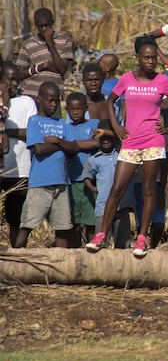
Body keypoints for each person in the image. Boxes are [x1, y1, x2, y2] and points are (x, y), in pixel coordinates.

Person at [86, 37, 168, 257]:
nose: (151, 62)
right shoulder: (127, 79)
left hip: (153, 141)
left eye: (154, 58)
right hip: (131, 141)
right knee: (116, 188)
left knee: (150, 188)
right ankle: (101, 235)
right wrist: (116, 127)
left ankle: (142, 238)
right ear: (138, 58)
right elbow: (110, 101)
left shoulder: (162, 81)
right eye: (147, 58)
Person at [13, 83, 97, 248]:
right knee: (28, 224)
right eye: (50, 100)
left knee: (63, 227)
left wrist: (57, 141)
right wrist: (63, 145)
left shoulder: (61, 123)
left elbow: (73, 148)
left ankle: (61, 263)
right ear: (40, 99)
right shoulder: (35, 121)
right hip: (40, 182)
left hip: (62, 183)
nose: (53, 105)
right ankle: (17, 257)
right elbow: (39, 148)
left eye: (56, 101)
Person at [1, 61, 36, 241]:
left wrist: (5, 132)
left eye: (16, 80)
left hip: (20, 170)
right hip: (2, 170)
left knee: (17, 219)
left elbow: (31, 132)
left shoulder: (26, 102)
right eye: (9, 79)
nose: (13, 84)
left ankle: (17, 256)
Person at [81, 130, 133, 249]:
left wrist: (110, 132)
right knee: (101, 243)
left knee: (123, 244)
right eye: (102, 139)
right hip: (103, 207)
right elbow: (86, 176)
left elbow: (126, 138)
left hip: (122, 206)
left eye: (108, 138)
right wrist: (94, 189)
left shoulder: (121, 154)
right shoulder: (94, 159)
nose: (105, 141)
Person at [65, 92, 101, 246]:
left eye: (79, 109)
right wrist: (81, 144)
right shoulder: (64, 127)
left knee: (91, 221)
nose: (75, 112)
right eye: (72, 109)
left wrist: (72, 145)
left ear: (86, 108)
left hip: (90, 181)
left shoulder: (93, 124)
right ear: (67, 110)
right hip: (70, 181)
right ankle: (74, 254)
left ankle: (92, 253)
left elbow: (96, 143)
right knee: (73, 223)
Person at [13, 8, 74, 100]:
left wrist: (51, 44)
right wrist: (42, 67)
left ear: (52, 23)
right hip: (33, 94)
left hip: (54, 95)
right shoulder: (28, 44)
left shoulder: (65, 40)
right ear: (35, 25)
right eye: (41, 26)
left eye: (47, 25)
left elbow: (62, 69)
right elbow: (20, 74)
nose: (44, 29)